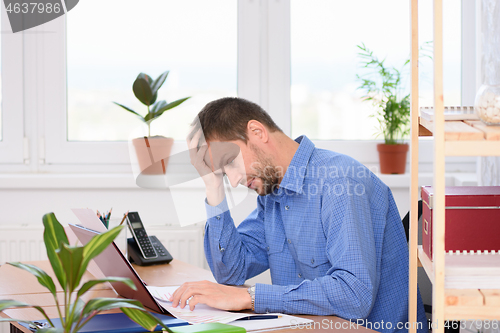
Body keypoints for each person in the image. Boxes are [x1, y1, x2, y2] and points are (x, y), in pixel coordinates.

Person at [170, 97, 428, 333]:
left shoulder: (339, 182)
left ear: (257, 132)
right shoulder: (272, 194)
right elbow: (232, 272)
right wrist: (213, 185)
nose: (234, 180)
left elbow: (354, 295)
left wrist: (251, 297)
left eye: (230, 162)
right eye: (224, 172)